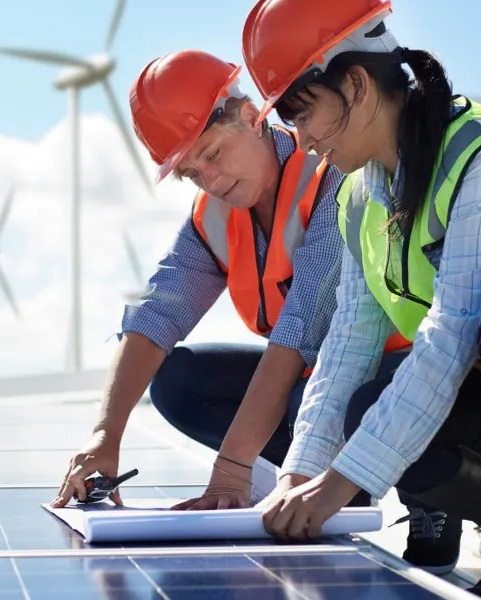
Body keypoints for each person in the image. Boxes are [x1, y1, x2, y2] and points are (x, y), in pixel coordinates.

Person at [50, 50, 408, 511]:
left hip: (393, 372)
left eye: (213, 154)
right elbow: (158, 310)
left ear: (249, 116)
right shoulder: (215, 217)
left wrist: (231, 471)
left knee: (310, 398)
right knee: (179, 381)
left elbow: (302, 328)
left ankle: (414, 498)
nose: (211, 180)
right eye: (192, 173)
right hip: (312, 382)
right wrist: (105, 434)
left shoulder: (332, 173)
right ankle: (319, 487)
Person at [241, 0, 481, 576]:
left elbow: (452, 334)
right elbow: (348, 342)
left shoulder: (472, 159)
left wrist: (338, 485)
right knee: (363, 406)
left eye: (303, 115)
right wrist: (301, 475)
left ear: (356, 85)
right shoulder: (358, 199)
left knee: (384, 416)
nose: (300, 142)